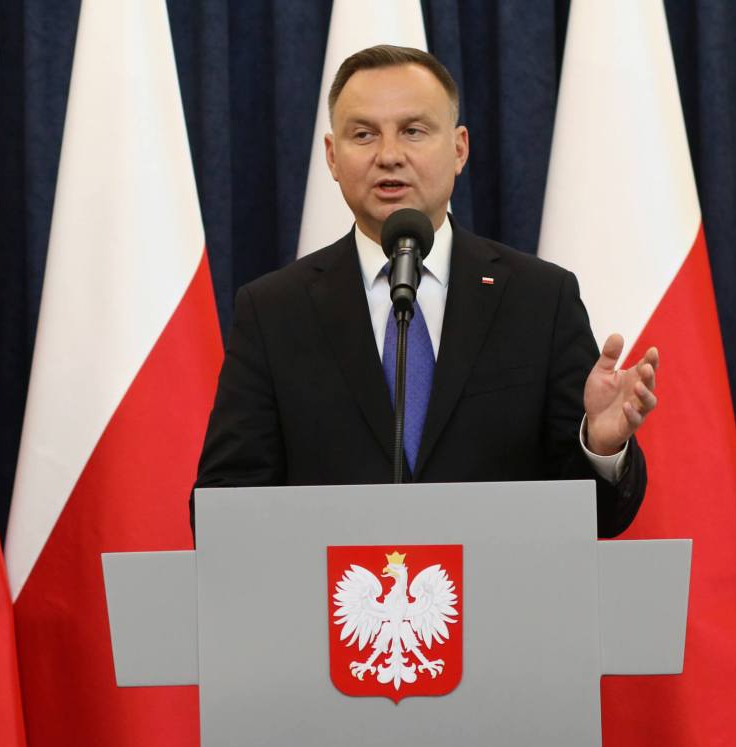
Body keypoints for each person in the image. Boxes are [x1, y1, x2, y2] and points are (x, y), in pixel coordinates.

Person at [194, 45, 657, 537]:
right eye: (363, 134)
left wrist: (601, 447)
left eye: (413, 131)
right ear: (332, 156)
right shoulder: (273, 311)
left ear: (459, 149)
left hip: (503, 606)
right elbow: (224, 508)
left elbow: (601, 519)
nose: (389, 155)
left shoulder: (540, 299)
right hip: (336, 607)